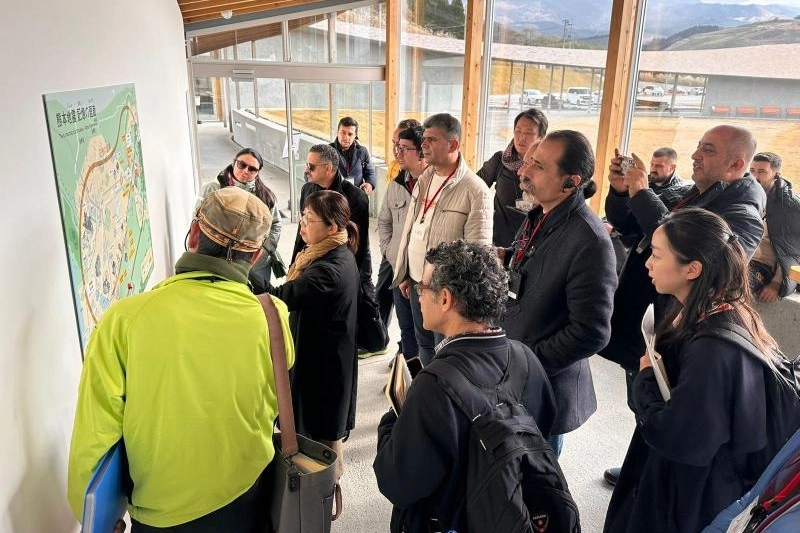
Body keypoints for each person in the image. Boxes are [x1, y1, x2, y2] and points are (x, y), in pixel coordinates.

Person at [68, 187, 294, 531]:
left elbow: (95, 432)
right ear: (255, 257)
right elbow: (273, 395)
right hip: (249, 492)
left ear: (194, 234)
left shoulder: (124, 320)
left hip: (160, 511)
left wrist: (91, 516)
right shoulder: (273, 316)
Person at [604, 208, 800, 533]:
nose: (648, 263)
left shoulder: (713, 348)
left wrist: (647, 379)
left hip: (687, 498)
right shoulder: (719, 307)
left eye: (657, 255)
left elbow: (681, 440)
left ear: (692, 268)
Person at [599, 125, 766, 485]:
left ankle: (649, 475)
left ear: (736, 165)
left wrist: (643, 194)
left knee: (666, 404)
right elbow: (634, 229)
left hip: (681, 330)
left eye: (708, 150)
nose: (695, 155)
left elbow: (687, 249)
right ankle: (640, 466)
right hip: (654, 322)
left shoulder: (744, 213)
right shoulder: (694, 193)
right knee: (642, 394)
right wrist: (623, 191)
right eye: (698, 146)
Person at [374, 240, 556, 533]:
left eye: (423, 287)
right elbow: (543, 426)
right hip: (512, 512)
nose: (419, 296)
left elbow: (397, 484)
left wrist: (393, 421)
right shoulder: (526, 358)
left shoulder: (433, 386)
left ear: (445, 299)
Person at [498, 130, 617, 458]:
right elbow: (539, 263)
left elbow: (592, 332)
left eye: (538, 166)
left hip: (543, 386)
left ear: (570, 182)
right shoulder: (542, 213)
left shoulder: (590, 240)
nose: (524, 171)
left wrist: (529, 362)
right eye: (529, 162)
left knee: (534, 476)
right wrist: (508, 257)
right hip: (515, 372)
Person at [270, 190, 360, 478]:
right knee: (325, 431)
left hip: (324, 365)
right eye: (302, 217)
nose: (302, 225)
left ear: (332, 227)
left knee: (322, 440)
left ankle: (325, 490)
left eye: (309, 219)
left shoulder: (328, 271)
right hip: (327, 355)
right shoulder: (333, 251)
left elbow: (281, 297)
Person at [391, 113, 493, 365]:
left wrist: (457, 295)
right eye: (424, 139)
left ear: (453, 144)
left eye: (432, 140)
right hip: (418, 282)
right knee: (423, 342)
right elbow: (412, 228)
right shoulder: (425, 178)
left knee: (444, 350)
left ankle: (440, 387)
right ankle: (426, 384)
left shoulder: (475, 190)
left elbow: (477, 253)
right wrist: (405, 271)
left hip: (446, 292)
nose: (423, 144)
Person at [291, 144, 379, 354]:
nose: (306, 170)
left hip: (342, 267)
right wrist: (295, 262)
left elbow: (358, 243)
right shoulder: (307, 189)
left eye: (311, 166)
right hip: (313, 261)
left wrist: (351, 277)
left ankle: (371, 343)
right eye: (307, 164)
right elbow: (302, 231)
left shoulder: (355, 197)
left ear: (328, 168)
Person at [198, 147, 282, 294]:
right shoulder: (212, 189)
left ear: (258, 172)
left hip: (256, 264)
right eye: (242, 165)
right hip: (219, 261)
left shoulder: (265, 195)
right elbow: (198, 221)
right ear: (234, 163)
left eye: (252, 169)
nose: (245, 171)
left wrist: (262, 251)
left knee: (256, 300)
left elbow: (275, 225)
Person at [376, 124, 426, 361]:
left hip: (423, 276)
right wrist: (390, 252)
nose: (398, 152)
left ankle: (423, 376)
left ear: (421, 152)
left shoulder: (434, 186)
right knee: (406, 328)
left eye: (404, 148)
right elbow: (383, 221)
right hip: (399, 270)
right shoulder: (396, 184)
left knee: (424, 332)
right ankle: (407, 369)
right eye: (397, 146)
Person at [478, 108, 548, 247]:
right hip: (498, 243)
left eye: (529, 133)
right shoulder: (500, 160)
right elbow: (474, 188)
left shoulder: (547, 168)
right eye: (518, 131)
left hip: (532, 245)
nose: (521, 137)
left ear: (541, 137)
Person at [605, 146, 689, 249]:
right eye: (652, 164)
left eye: (659, 166)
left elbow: (656, 233)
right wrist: (620, 193)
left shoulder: (679, 194)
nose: (653, 169)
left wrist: (613, 230)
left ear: (672, 168)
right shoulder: (645, 180)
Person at [748, 151, 800, 302]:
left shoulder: (790, 206)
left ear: (776, 174)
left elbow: (792, 251)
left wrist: (777, 283)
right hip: (738, 260)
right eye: (752, 170)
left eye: (762, 171)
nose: (754, 176)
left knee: (730, 289)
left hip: (763, 265)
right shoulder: (743, 195)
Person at [330, 116, 376, 195]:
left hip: (357, 197)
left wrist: (369, 184)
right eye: (343, 133)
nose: (346, 137)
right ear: (337, 132)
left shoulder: (362, 151)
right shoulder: (328, 151)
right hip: (334, 197)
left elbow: (370, 172)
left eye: (350, 134)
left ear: (355, 136)